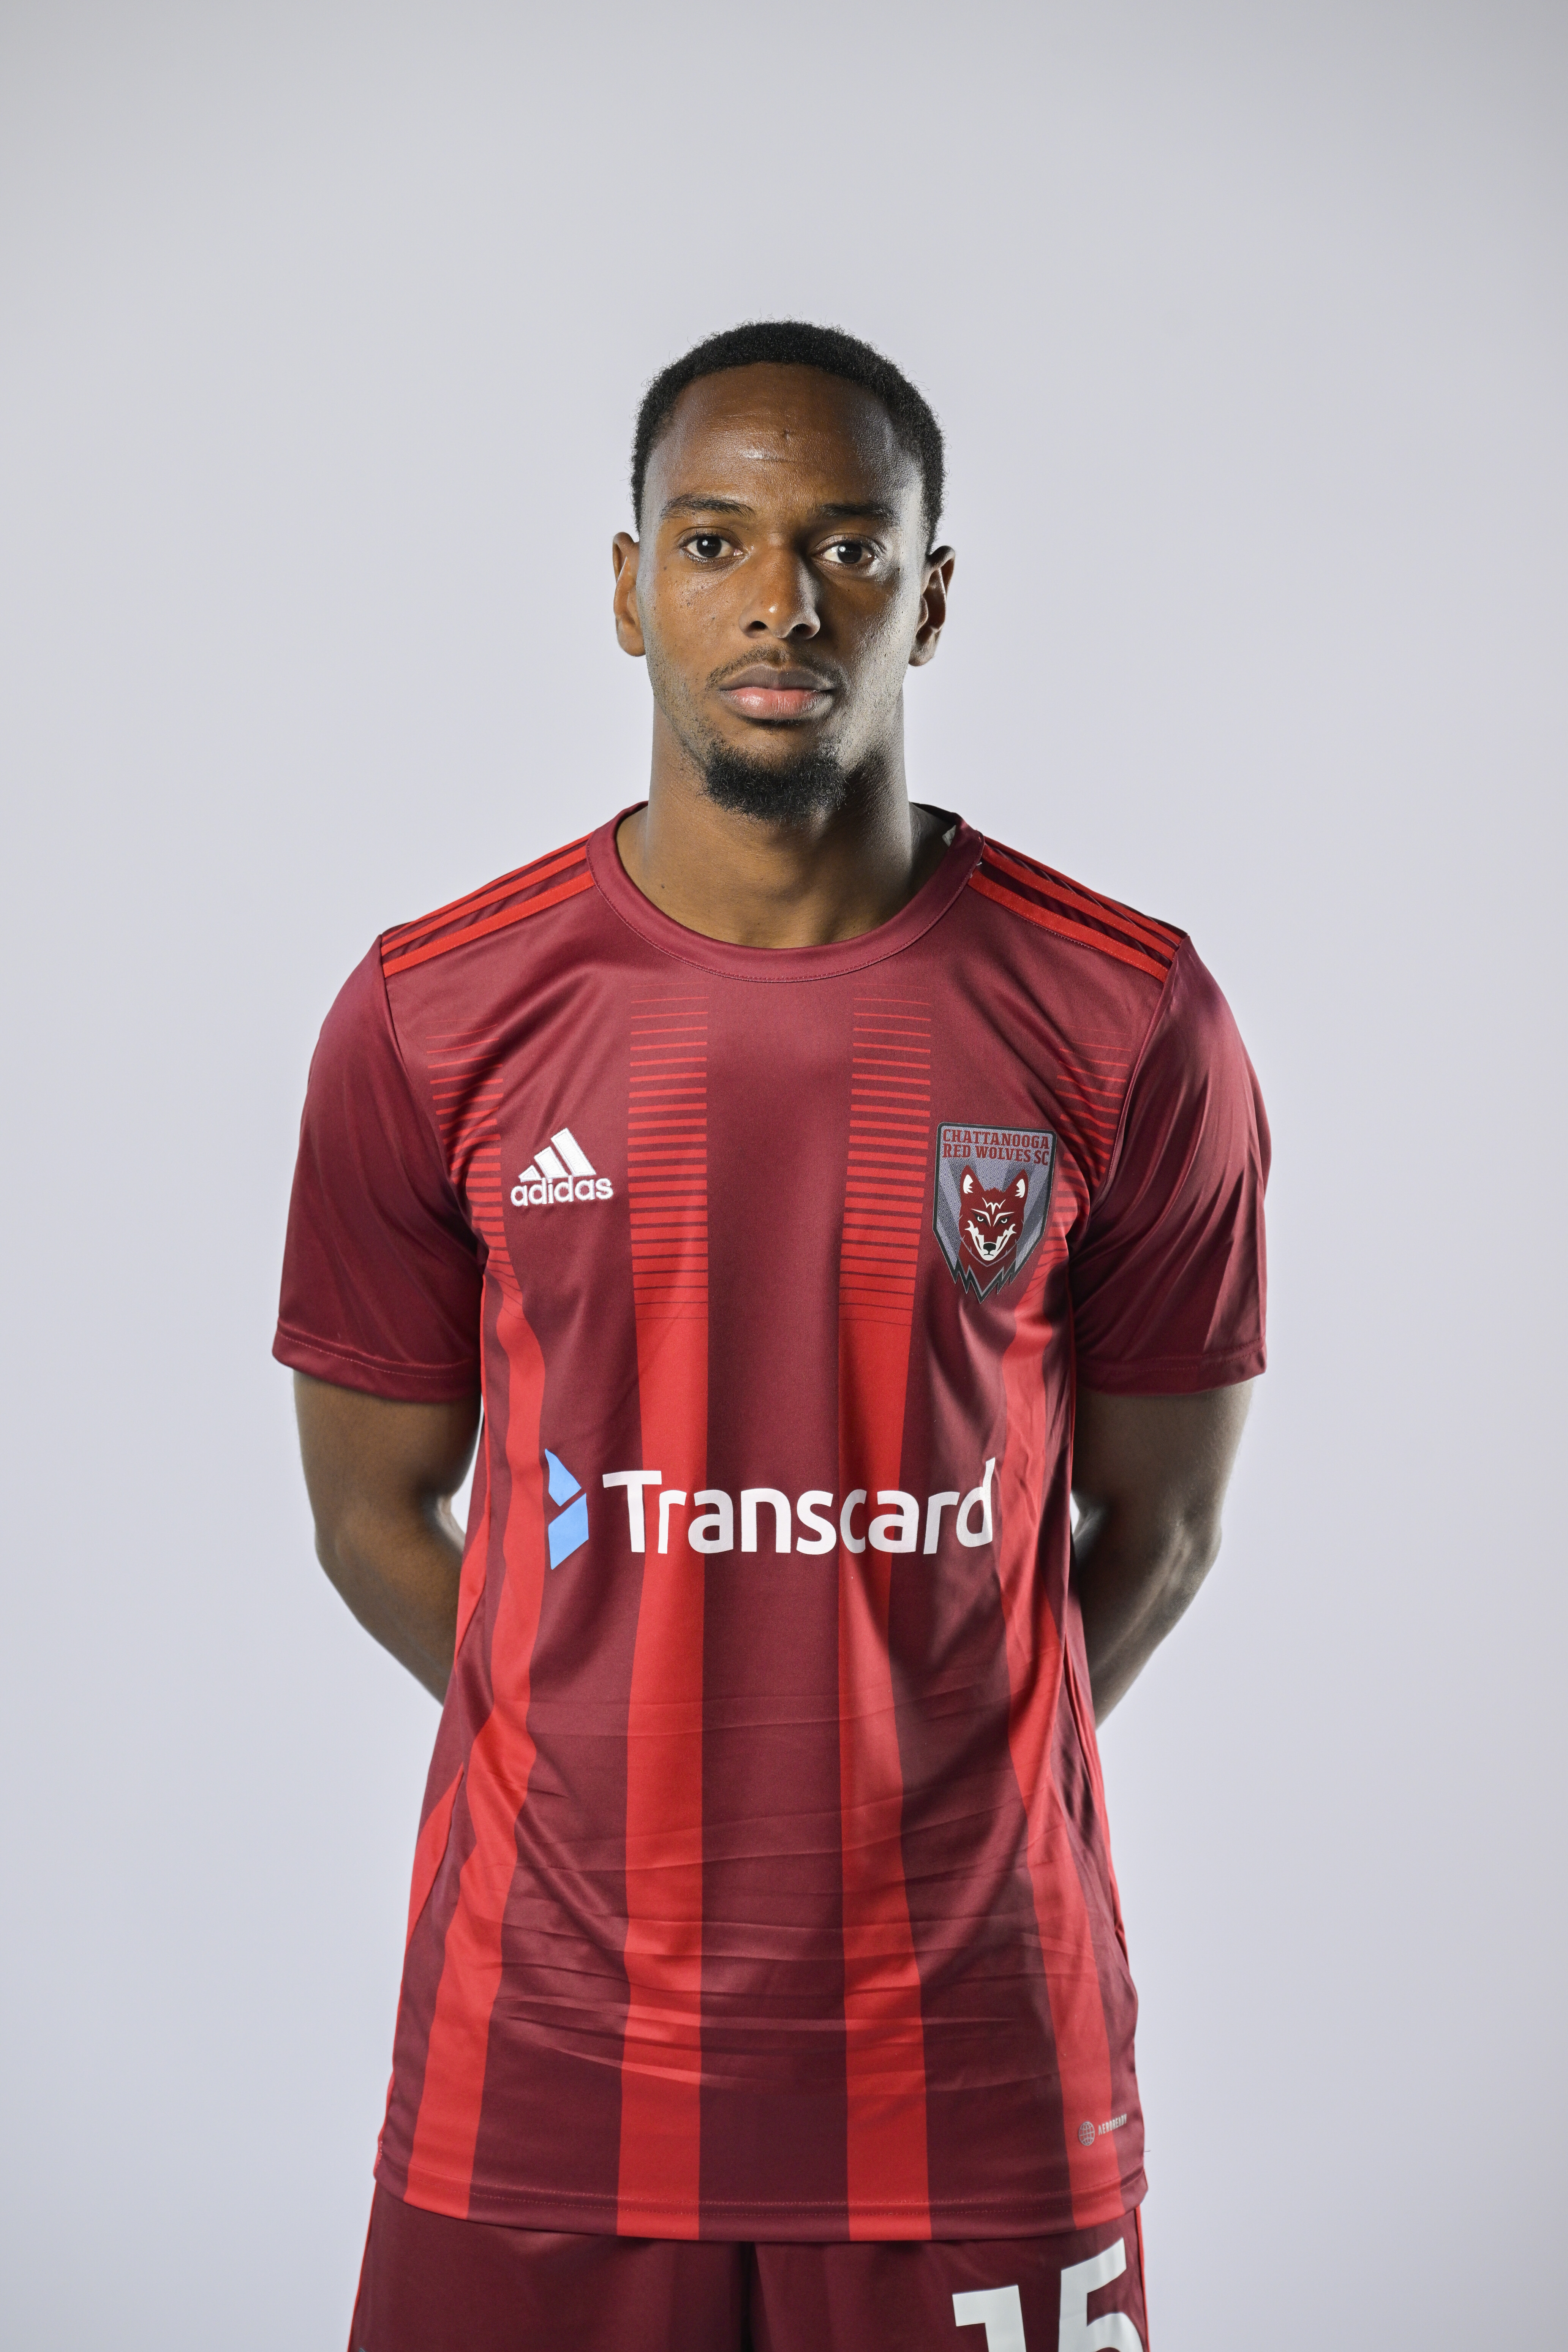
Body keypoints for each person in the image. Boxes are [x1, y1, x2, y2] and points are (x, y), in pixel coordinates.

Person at [275, 320, 1268, 2352]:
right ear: (629, 585)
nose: (783, 604)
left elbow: (1161, 1529)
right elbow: (372, 1512)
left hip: (974, 2067)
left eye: (849, 546)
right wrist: (589, 1751)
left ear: (933, 593)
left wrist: (943, 1768)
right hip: (545, 2063)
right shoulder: (435, 1017)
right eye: (716, 542)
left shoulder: (1128, 1017)